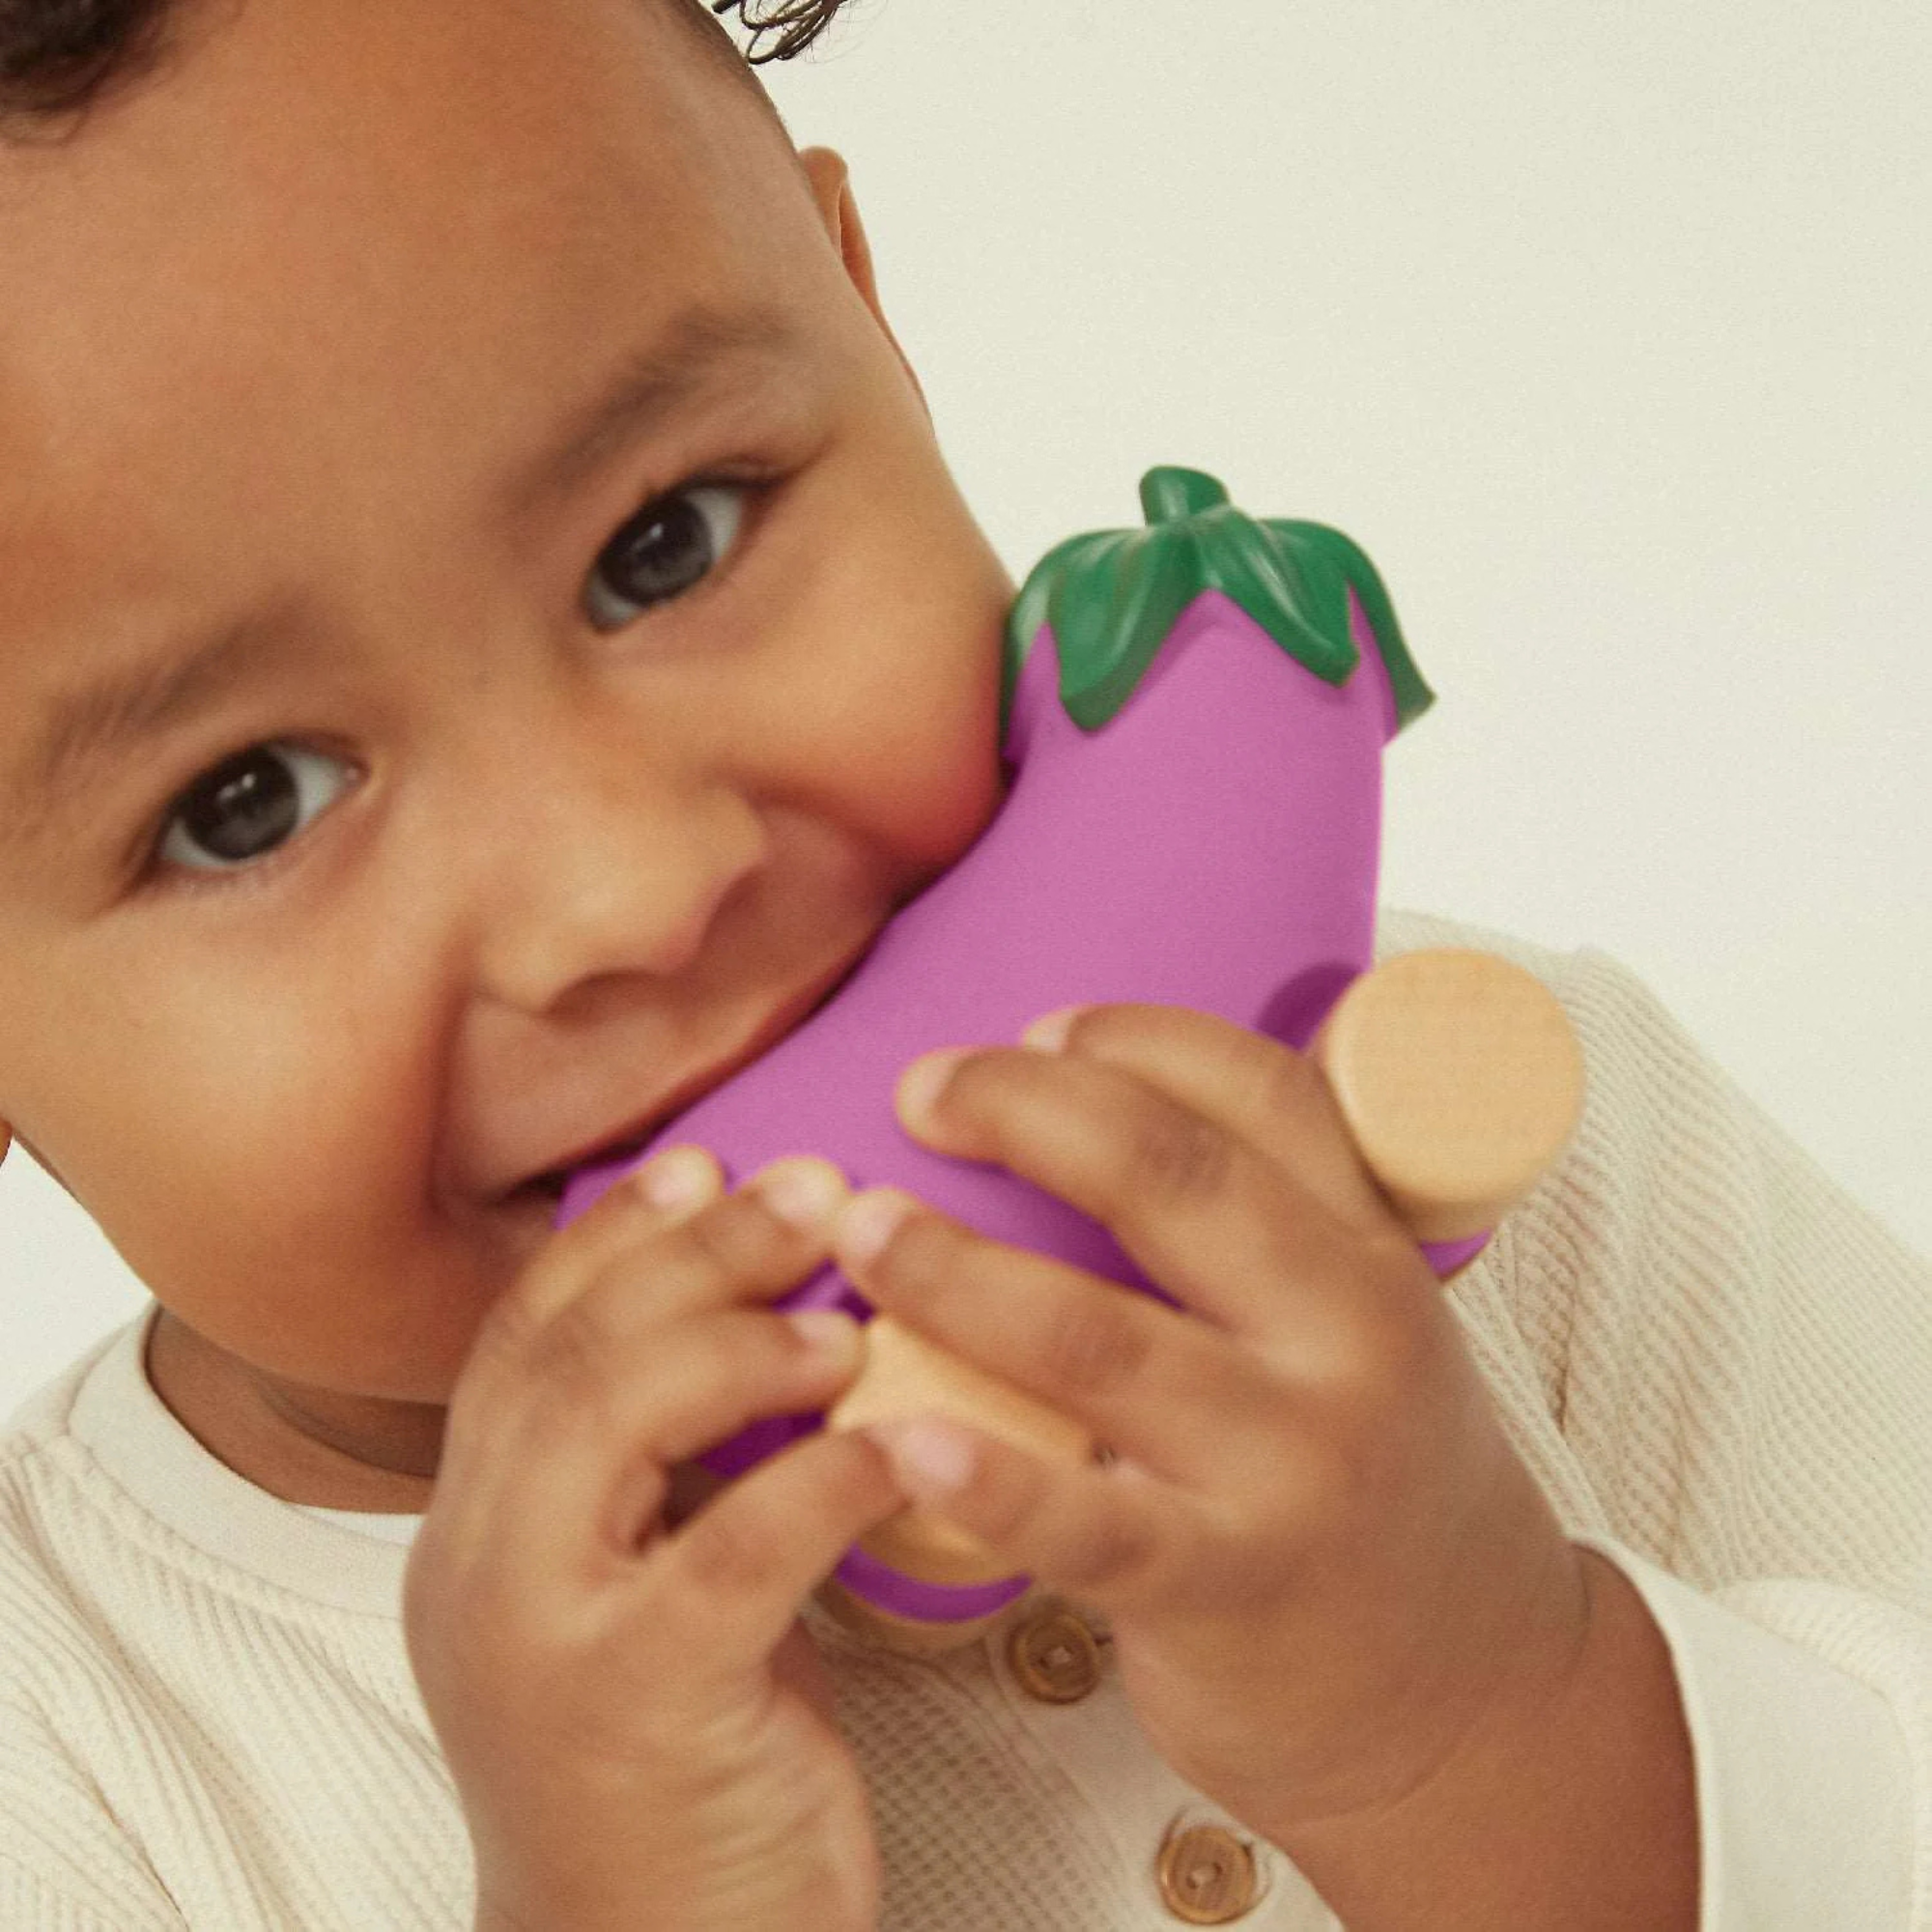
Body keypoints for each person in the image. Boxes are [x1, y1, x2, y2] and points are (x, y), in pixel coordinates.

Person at [0, 1, 1924, 1927]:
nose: (630, 886)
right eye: (243, 801)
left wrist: (1492, 1729)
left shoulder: (1495, 1127)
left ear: (876, 334)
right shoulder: (66, 1751)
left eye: (665, 542)